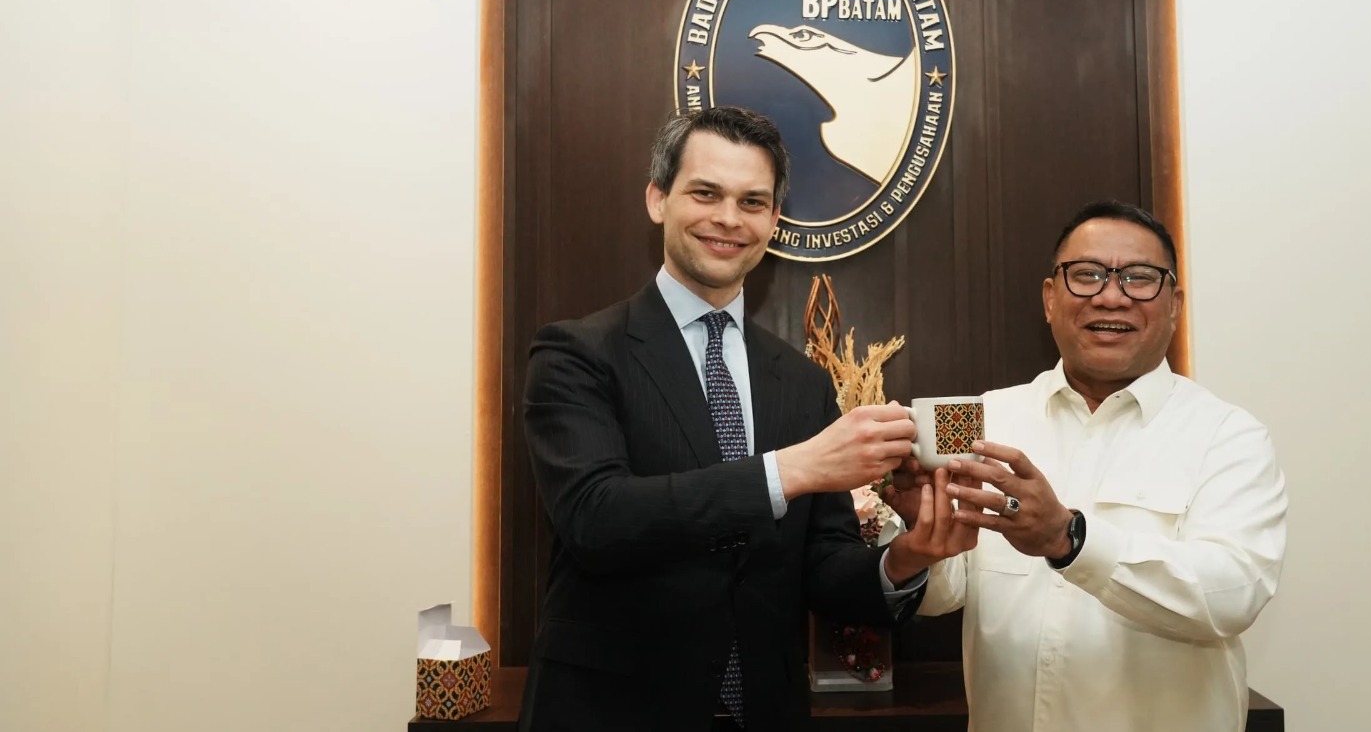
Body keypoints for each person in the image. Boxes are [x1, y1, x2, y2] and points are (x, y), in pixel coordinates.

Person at [517, 106, 975, 731]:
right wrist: (789, 471)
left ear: (774, 220)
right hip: (611, 712)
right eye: (705, 193)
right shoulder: (578, 352)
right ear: (657, 199)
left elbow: (824, 567)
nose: (729, 218)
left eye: (752, 202)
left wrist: (906, 558)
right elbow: (596, 519)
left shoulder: (802, 382)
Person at [909, 200, 1288, 732]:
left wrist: (1070, 540)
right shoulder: (981, 415)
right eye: (1086, 275)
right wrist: (920, 529)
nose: (1111, 296)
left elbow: (1232, 595)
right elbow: (942, 595)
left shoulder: (1229, 435)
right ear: (1050, 298)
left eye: (1139, 278)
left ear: (1175, 305)